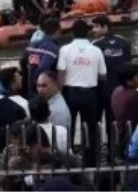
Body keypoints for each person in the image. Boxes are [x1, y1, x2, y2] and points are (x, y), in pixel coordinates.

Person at [57, 19, 106, 165]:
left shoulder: (64, 50)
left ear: (72, 33)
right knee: (91, 128)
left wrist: (59, 94)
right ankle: (90, 161)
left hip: (70, 93)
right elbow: (103, 75)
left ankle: (69, 160)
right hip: (90, 93)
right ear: (88, 33)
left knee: (67, 128)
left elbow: (61, 73)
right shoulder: (96, 51)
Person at [92, 15, 131, 159]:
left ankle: (98, 152)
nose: (93, 30)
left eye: (96, 27)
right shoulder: (125, 42)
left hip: (101, 90)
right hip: (120, 90)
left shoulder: (96, 45)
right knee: (116, 123)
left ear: (105, 27)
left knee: (97, 122)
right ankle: (116, 151)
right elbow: (128, 65)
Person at [25, 20, 60, 98]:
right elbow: (43, 67)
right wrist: (38, 84)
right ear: (58, 31)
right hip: (42, 89)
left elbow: (23, 61)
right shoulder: (52, 48)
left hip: (30, 85)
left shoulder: (32, 45)